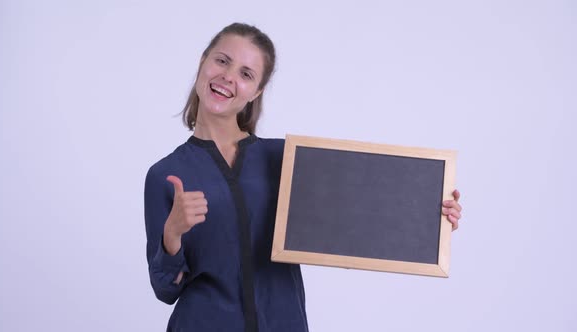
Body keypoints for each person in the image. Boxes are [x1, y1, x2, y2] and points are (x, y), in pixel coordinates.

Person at [144, 22, 463, 332]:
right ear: (203, 62)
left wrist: (431, 213)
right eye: (222, 61)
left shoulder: (284, 158)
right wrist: (171, 235)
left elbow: (363, 210)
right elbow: (165, 290)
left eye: (246, 74)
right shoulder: (165, 175)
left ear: (257, 92)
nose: (228, 77)